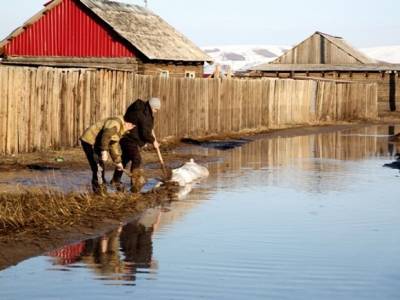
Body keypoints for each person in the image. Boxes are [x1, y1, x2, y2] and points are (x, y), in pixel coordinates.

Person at [111, 97, 161, 193]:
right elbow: (145, 133)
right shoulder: (142, 114)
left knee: (125, 159)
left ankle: (115, 180)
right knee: (136, 158)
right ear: (151, 106)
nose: (156, 111)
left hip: (129, 138)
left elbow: (145, 128)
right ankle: (135, 182)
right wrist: (153, 141)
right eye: (155, 109)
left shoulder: (143, 110)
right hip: (129, 139)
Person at [80, 115, 135, 194]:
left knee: (100, 166)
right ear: (127, 122)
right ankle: (99, 191)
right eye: (131, 125)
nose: (131, 127)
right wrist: (104, 151)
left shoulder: (121, 130)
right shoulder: (115, 123)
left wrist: (118, 161)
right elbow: (106, 136)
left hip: (98, 143)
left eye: (133, 126)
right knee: (98, 167)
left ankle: (101, 188)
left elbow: (113, 145)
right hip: (89, 141)